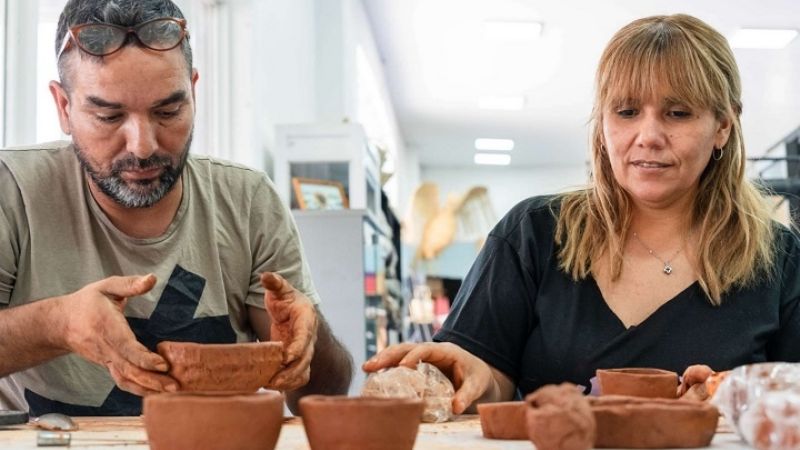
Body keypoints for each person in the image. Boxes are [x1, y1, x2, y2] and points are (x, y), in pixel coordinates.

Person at [364, 13, 800, 414]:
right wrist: (473, 369)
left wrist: (737, 395)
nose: (648, 135)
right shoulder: (532, 234)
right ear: (603, 122)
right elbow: (488, 378)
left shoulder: (780, 261)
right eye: (627, 111)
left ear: (723, 125)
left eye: (678, 113)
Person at [0, 0, 352, 416]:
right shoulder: (14, 191)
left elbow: (323, 396)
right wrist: (58, 323)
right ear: (63, 107)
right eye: (109, 116)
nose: (143, 145)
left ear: (194, 93)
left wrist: (307, 345)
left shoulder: (248, 201)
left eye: (168, 111)